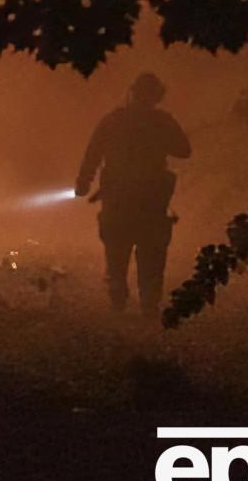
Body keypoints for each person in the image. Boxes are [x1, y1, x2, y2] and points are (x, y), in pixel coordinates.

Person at [74, 72, 191, 318]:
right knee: (151, 253)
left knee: (117, 252)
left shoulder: (114, 120)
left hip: (120, 198)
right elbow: (184, 150)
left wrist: (83, 182)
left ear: (133, 93)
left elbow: (93, 153)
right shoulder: (162, 121)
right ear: (157, 96)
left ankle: (120, 301)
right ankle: (147, 305)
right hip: (151, 198)